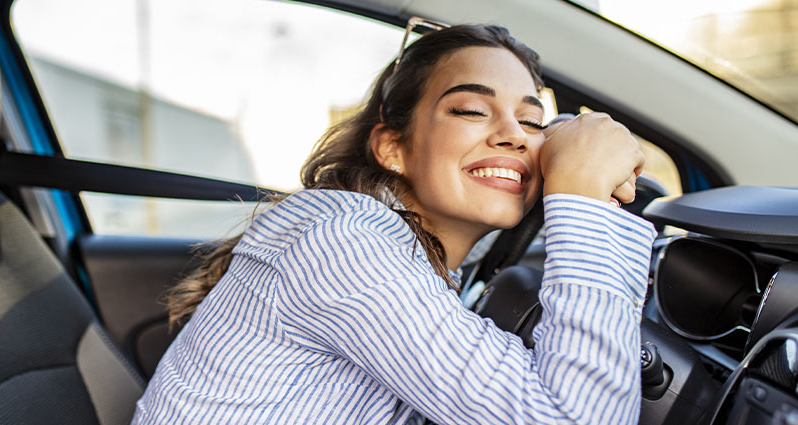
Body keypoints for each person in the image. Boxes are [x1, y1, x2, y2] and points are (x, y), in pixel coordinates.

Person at [133, 23, 655, 425]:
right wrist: (581, 195)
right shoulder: (343, 239)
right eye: (472, 110)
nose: (514, 135)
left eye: (533, 121)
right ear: (393, 148)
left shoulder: (416, 252)